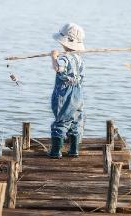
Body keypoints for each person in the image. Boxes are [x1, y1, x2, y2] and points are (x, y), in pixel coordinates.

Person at [48, 23, 85, 159]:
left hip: (65, 95)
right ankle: (74, 150)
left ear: (64, 43)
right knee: (75, 120)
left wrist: (54, 57)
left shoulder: (64, 58)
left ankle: (55, 151)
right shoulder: (79, 59)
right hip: (78, 94)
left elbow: (58, 68)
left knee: (61, 121)